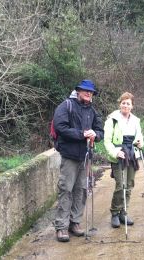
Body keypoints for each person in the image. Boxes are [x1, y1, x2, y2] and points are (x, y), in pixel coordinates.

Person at [53, 79, 104, 242]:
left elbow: (100, 130)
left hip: (85, 157)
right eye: (85, 91)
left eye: (91, 92)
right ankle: (61, 227)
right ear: (78, 91)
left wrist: (96, 135)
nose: (88, 94)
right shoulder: (66, 106)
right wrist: (82, 134)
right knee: (66, 190)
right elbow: (61, 127)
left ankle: (74, 223)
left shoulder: (92, 111)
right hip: (69, 156)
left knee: (81, 190)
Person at [104, 92, 144, 228]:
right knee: (120, 186)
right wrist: (116, 152)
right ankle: (115, 213)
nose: (125, 105)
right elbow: (107, 141)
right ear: (120, 104)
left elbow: (139, 136)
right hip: (118, 155)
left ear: (132, 106)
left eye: (128, 103)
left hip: (132, 154)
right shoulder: (112, 120)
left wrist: (140, 143)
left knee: (129, 185)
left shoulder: (136, 120)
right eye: (123, 102)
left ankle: (123, 212)